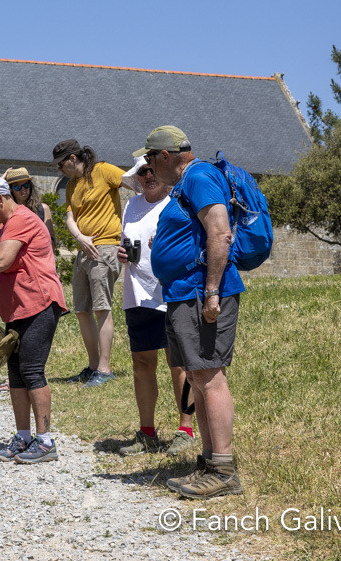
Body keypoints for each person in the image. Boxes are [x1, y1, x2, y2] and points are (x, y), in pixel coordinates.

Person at [135, 126, 244, 499]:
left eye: (150, 160)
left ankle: (223, 471)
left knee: (210, 377)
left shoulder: (199, 177)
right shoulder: (186, 183)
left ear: (165, 155)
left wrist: (212, 291)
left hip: (201, 294)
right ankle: (210, 463)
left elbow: (220, 232)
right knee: (198, 378)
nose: (148, 168)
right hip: (183, 294)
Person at [0, 176, 68, 464]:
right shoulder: (5, 226)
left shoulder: (21, 219)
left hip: (39, 304)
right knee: (15, 374)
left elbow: (0, 262)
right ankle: (23, 437)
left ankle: (45, 441)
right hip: (18, 308)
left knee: (32, 371)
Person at [115, 158, 196, 458]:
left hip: (169, 292)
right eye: (142, 172)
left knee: (178, 363)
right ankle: (147, 433)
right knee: (142, 364)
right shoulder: (131, 205)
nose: (148, 175)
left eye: (152, 170)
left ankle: (186, 430)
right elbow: (126, 242)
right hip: (137, 293)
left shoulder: (176, 203)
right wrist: (123, 254)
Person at [52, 138, 132, 388]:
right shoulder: (71, 185)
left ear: (73, 158)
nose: (59, 170)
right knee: (82, 310)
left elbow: (136, 185)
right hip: (83, 250)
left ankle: (105, 369)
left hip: (105, 249)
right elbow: (70, 217)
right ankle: (94, 365)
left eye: (61, 164)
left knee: (101, 308)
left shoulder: (104, 171)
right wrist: (79, 237)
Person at [4, 167, 55, 251]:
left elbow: (52, 244)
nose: (23, 190)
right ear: (11, 190)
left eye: (26, 185)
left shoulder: (43, 209)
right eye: (17, 187)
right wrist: (2, 179)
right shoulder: (7, 212)